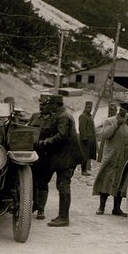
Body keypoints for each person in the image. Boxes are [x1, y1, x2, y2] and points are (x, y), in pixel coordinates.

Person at [35, 94, 84, 227]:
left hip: (66, 158)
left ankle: (63, 218)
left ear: (56, 105)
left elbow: (60, 136)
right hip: (65, 157)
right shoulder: (62, 115)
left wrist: (44, 142)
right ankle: (62, 216)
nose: (48, 107)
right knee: (62, 186)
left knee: (63, 187)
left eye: (50, 104)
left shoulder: (63, 117)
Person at [92, 104, 128, 216]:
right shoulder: (110, 121)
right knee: (106, 180)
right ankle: (101, 207)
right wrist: (117, 124)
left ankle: (116, 209)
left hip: (125, 159)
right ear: (119, 110)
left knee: (121, 182)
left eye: (127, 111)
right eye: (123, 110)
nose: (124, 112)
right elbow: (105, 134)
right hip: (111, 158)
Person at [27, 94, 53, 220]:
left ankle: (41, 209)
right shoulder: (34, 116)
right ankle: (34, 205)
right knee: (31, 181)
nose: (41, 107)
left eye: (44, 105)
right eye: (40, 104)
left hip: (45, 155)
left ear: (50, 106)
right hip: (32, 154)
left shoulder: (54, 119)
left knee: (43, 182)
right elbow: (27, 129)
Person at [78, 100, 97, 176]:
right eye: (88, 107)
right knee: (84, 155)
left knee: (88, 155)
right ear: (85, 107)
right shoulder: (82, 116)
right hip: (85, 140)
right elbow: (82, 128)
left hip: (90, 139)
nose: (90, 109)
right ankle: (83, 170)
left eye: (90, 107)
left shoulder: (89, 116)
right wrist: (84, 138)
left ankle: (86, 169)